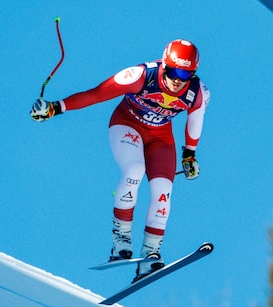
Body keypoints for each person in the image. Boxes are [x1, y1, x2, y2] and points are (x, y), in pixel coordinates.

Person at [30, 39, 210, 282]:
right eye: (173, 71)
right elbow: (96, 94)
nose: (178, 79)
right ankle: (120, 242)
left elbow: (195, 120)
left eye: (185, 73)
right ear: (164, 65)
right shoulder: (140, 76)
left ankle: (151, 254)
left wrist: (190, 154)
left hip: (161, 137)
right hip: (128, 123)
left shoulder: (197, 92)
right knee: (135, 170)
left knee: (163, 189)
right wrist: (56, 107)